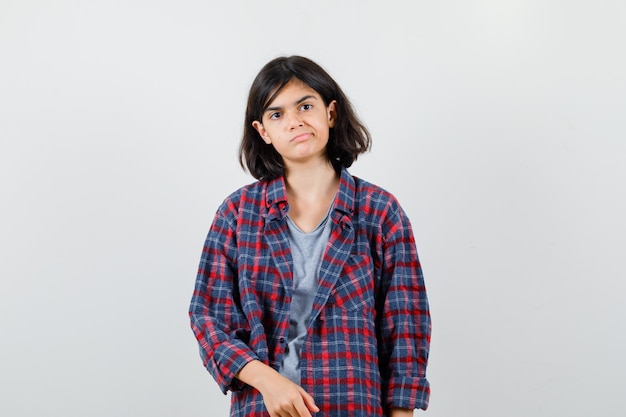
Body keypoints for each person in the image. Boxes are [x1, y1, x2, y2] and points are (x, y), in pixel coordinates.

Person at [189, 55, 431, 417]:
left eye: (305, 105)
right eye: (277, 114)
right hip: (263, 408)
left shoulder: (380, 212)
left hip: (353, 404)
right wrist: (270, 382)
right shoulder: (238, 214)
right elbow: (209, 317)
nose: (295, 121)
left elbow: (405, 326)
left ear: (330, 113)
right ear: (262, 131)